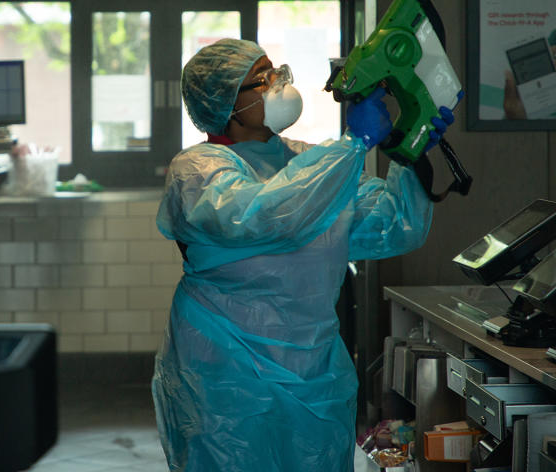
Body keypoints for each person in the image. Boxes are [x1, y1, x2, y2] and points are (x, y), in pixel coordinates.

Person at [152, 38, 455, 472]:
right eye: (263, 79)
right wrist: (353, 144)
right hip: (227, 370)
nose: (279, 84)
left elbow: (392, 227)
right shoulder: (198, 170)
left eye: (278, 72)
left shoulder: (311, 162)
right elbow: (268, 214)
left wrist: (408, 154)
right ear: (223, 102)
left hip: (314, 367)